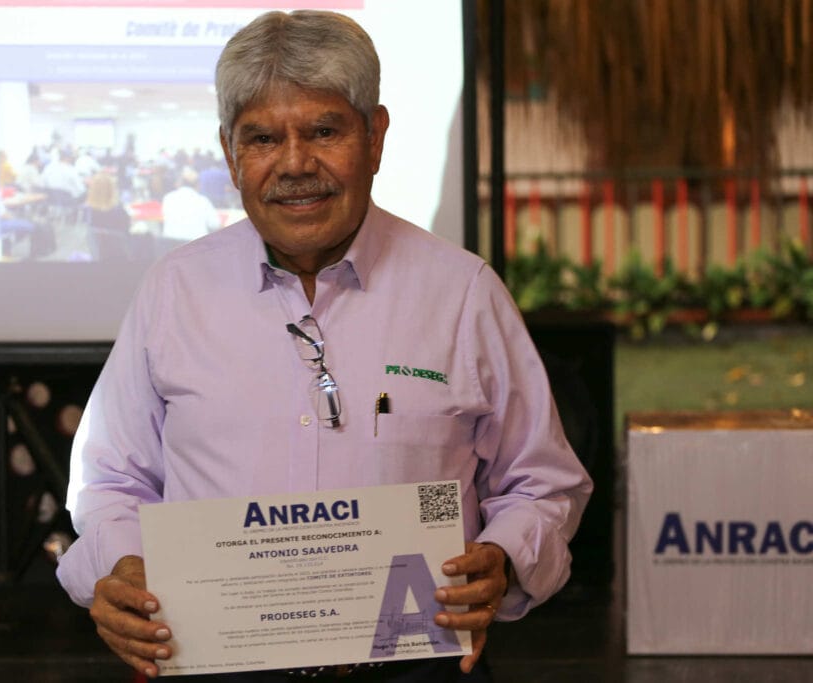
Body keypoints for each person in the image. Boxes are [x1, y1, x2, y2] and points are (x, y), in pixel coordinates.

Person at [57, 9, 592, 682]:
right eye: (261, 138)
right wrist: (120, 566)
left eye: (323, 130)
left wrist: (506, 557)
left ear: (375, 136)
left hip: (415, 670)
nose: (294, 164)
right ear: (229, 153)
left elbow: (543, 482)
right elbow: (110, 481)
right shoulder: (173, 293)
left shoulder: (463, 294)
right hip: (214, 664)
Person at [159, 165, 222, 241]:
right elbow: (215, 224)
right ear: (197, 185)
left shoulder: (167, 198)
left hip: (170, 245)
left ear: (179, 183)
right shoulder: (203, 201)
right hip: (196, 247)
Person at [84, 172, 133, 261]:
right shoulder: (119, 211)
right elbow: (128, 231)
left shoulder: (88, 211)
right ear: (112, 190)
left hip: (99, 254)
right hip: (122, 254)